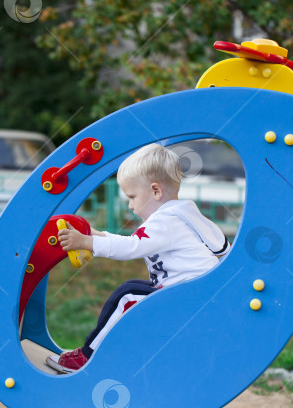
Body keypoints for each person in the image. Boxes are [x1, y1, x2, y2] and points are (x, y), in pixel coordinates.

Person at [48, 142, 230, 373]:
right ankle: (105, 354)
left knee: (127, 295)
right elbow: (223, 249)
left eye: (132, 197)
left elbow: (131, 247)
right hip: (198, 296)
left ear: (156, 191)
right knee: (134, 286)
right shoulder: (186, 214)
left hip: (187, 299)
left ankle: (86, 357)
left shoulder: (164, 221)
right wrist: (92, 233)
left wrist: (87, 243)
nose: (131, 205)